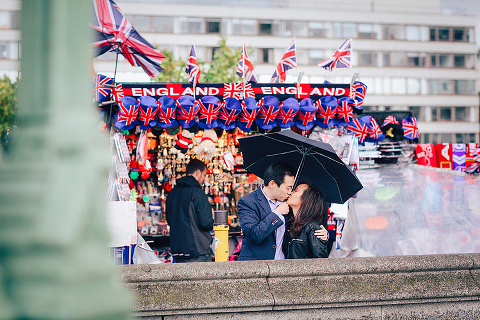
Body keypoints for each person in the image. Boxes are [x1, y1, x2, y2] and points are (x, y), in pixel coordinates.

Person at [237, 162, 328, 261]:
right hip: (257, 266)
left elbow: (301, 224)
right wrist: (276, 214)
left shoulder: (287, 202)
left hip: (282, 266)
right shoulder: (248, 202)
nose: (290, 192)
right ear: (272, 184)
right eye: (288, 188)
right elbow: (253, 234)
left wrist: (322, 236)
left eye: (292, 188)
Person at [165, 159, 213, 263]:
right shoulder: (197, 192)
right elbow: (206, 222)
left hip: (178, 250)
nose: (204, 179)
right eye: (204, 175)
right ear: (198, 172)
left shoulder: (172, 193)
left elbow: (169, 220)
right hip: (197, 250)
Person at [286, 182, 328, 259]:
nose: (290, 193)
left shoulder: (313, 228)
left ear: (306, 199)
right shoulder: (289, 223)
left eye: (296, 191)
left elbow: (322, 263)